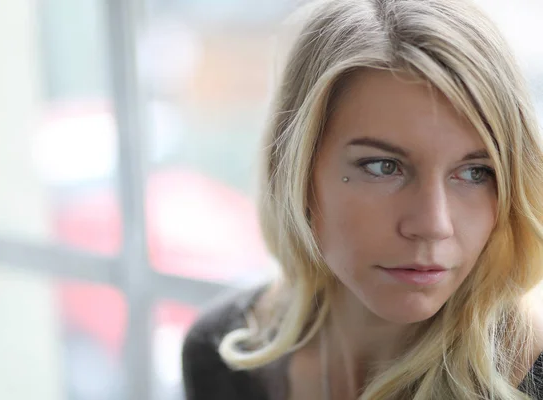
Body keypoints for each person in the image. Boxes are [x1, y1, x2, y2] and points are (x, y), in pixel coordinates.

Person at [181, 0, 543, 398]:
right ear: (297, 171)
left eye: (475, 172)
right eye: (383, 167)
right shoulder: (223, 353)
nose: (433, 224)